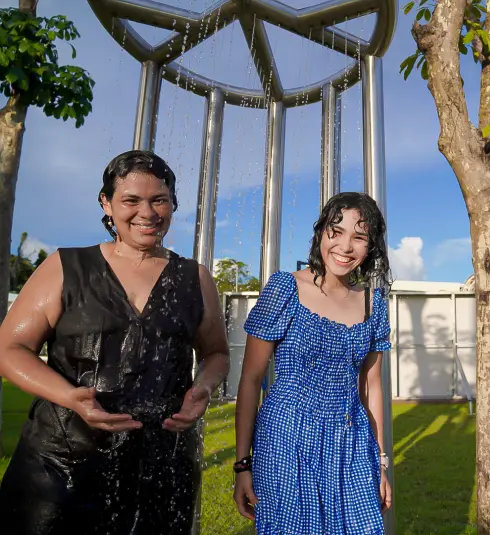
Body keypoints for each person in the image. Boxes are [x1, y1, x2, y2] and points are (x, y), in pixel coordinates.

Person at [0, 150, 230, 535]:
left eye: (159, 200)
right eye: (131, 200)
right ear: (106, 203)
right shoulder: (65, 266)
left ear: (173, 204)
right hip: (62, 462)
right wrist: (71, 397)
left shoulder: (196, 277)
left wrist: (204, 386)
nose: (148, 212)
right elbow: (10, 348)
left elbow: (217, 353)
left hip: (161, 469)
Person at [233, 191, 393, 534]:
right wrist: (242, 464)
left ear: (371, 247)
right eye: (336, 231)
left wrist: (380, 461)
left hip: (350, 442)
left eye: (359, 237)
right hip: (285, 441)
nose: (346, 246)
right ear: (321, 233)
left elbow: (371, 385)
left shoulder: (373, 304)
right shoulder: (284, 288)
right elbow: (250, 379)